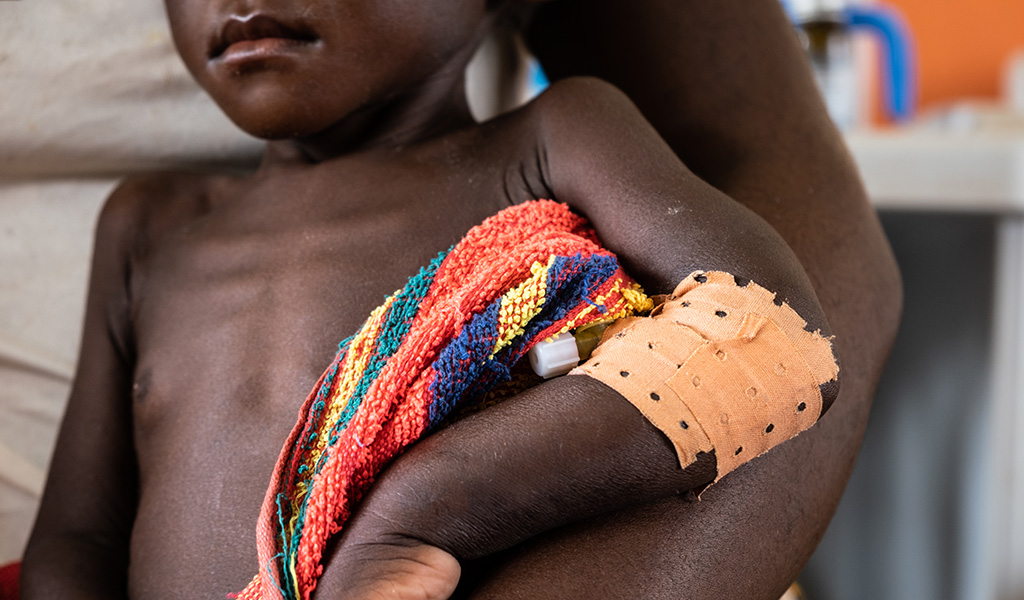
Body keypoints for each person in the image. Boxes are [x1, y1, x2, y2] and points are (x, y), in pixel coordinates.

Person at [20, 0, 900, 599]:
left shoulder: (560, 139)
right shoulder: (148, 228)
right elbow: (77, 544)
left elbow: (770, 338)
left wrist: (426, 513)